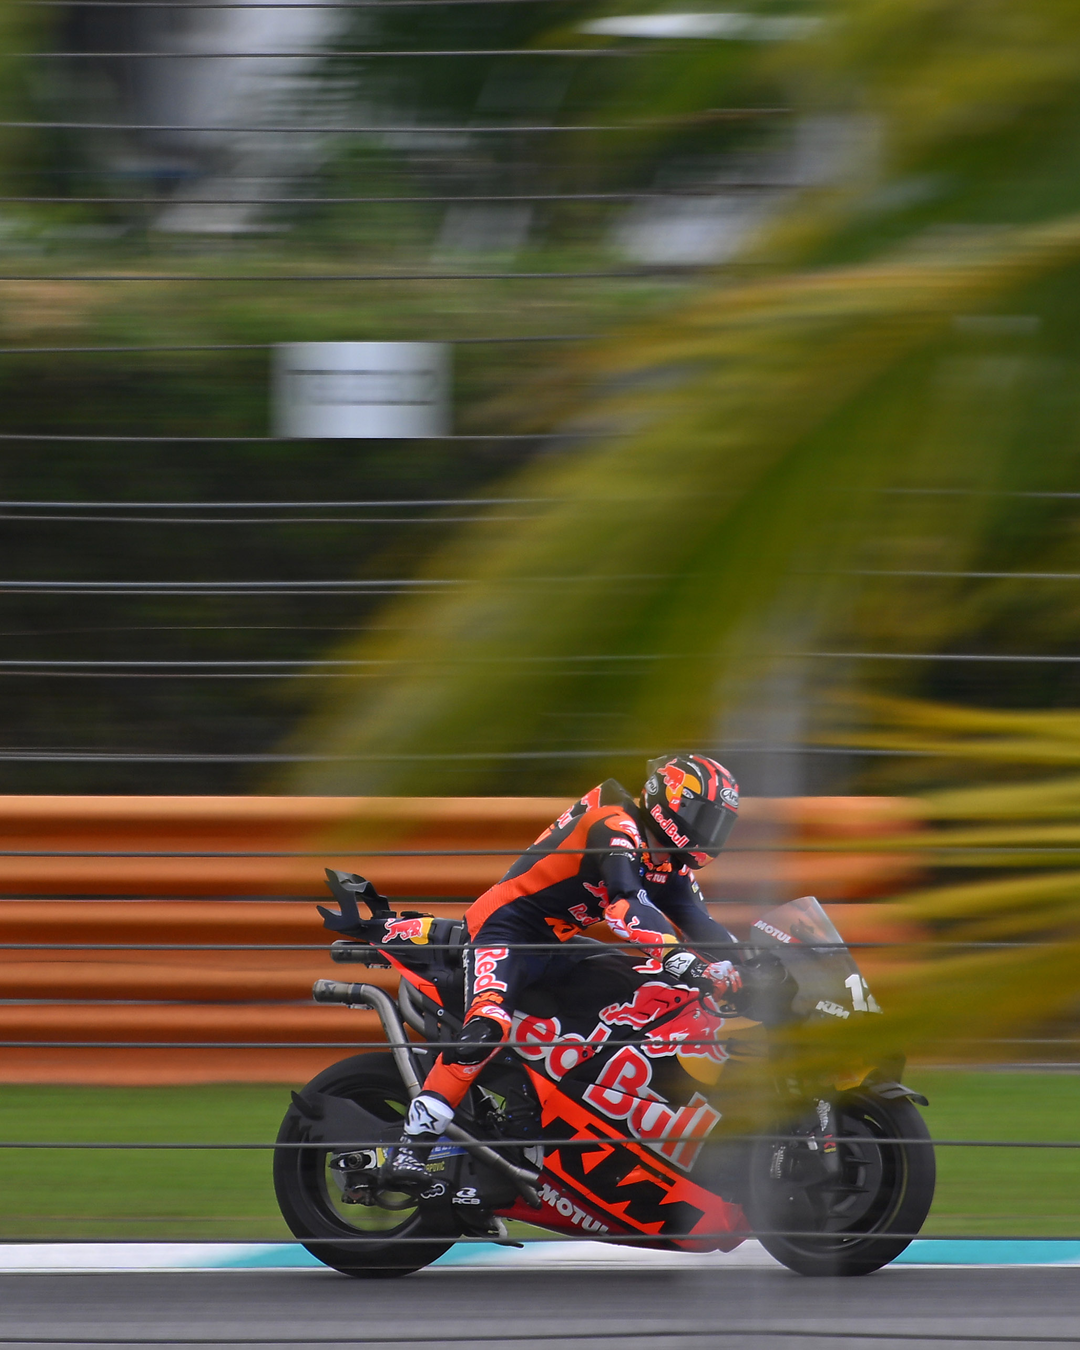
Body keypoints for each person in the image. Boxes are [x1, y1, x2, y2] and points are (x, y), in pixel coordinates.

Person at [380, 752, 745, 1193]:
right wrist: (678, 955)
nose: (709, 831)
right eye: (702, 815)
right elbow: (625, 904)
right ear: (669, 798)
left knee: (635, 998)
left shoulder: (668, 861)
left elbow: (701, 924)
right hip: (505, 930)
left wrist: (752, 963)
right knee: (488, 1026)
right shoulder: (616, 826)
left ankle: (536, 1117)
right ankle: (410, 1147)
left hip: (554, 943)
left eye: (719, 823)